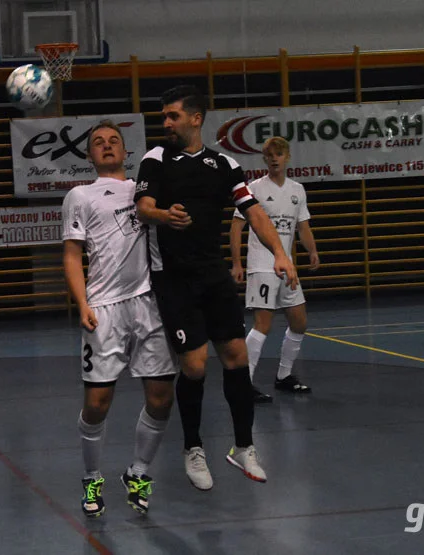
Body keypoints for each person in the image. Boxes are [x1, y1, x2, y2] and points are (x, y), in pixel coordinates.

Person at [135, 85, 299, 489]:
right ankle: (193, 447)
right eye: (164, 117)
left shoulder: (224, 164)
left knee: (236, 355)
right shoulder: (156, 158)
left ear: (196, 118)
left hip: (214, 275)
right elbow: (142, 207)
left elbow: (253, 211)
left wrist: (280, 252)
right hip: (172, 276)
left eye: (173, 116)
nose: (166, 123)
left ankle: (243, 447)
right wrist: (163, 215)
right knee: (193, 365)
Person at [62, 120, 177, 517]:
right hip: (104, 308)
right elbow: (73, 255)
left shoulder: (144, 190)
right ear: (89, 155)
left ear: (126, 151)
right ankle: (92, 475)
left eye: (114, 141)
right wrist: (82, 303)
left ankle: (139, 471)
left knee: (162, 398)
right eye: (98, 142)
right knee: (97, 403)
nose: (107, 146)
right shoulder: (80, 195)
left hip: (150, 304)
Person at [230, 137, 319, 402]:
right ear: (264, 159)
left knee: (299, 322)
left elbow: (302, 227)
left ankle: (284, 376)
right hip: (261, 265)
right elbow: (237, 227)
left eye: (279, 154)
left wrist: (312, 250)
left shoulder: (297, 190)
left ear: (287, 156)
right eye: (269, 155)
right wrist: (237, 263)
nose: (274, 159)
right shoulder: (253, 189)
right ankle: (242, 383)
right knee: (262, 324)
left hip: (287, 267)